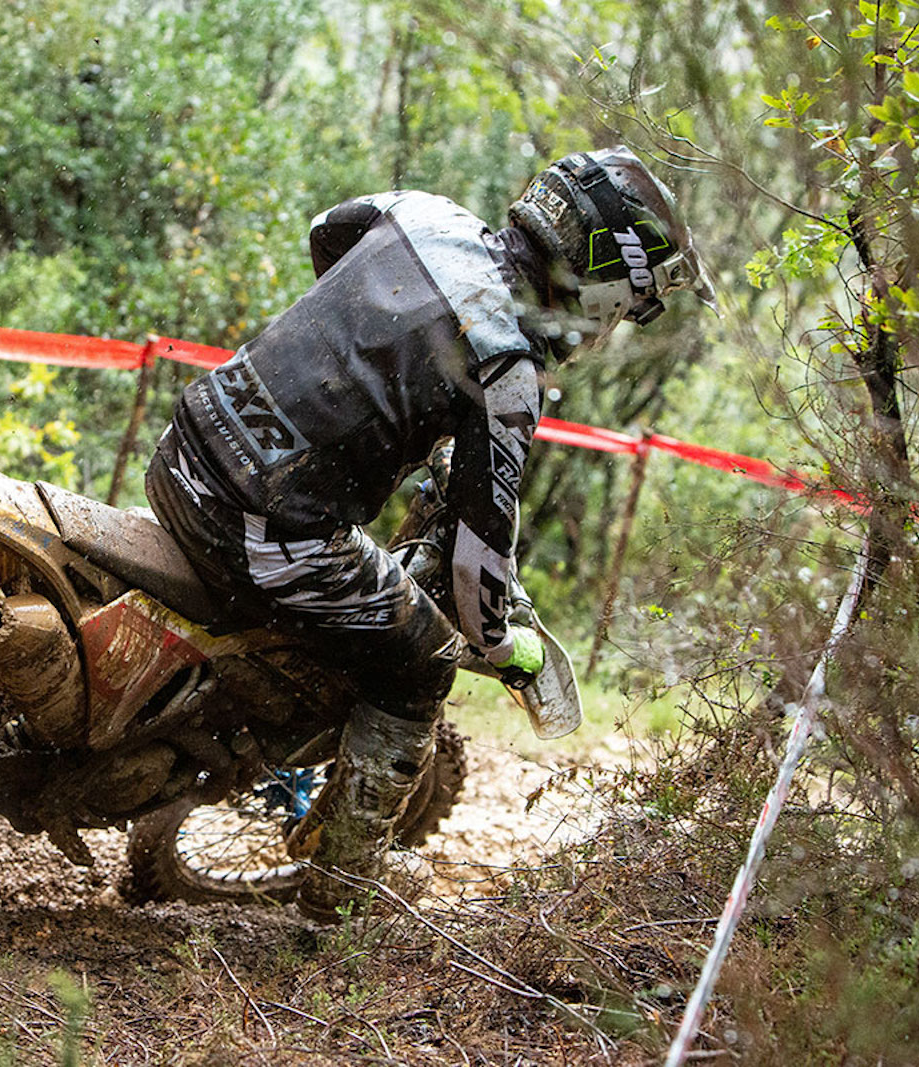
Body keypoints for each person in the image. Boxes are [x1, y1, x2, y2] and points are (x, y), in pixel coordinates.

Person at [144, 146, 713, 920]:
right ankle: (340, 891)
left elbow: (326, 231)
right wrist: (512, 652)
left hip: (189, 437)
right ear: (606, 282)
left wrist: (361, 353)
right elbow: (479, 579)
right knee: (422, 663)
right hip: (262, 524)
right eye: (631, 306)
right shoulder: (505, 367)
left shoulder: (426, 215)